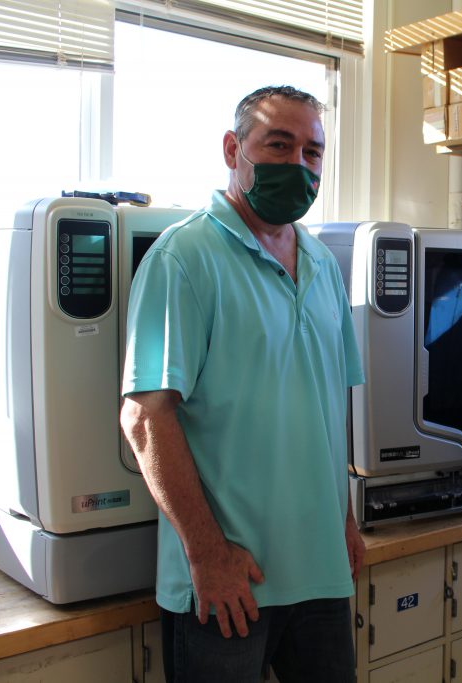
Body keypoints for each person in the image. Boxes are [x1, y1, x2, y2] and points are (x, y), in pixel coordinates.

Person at [120, 85, 365, 682]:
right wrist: (207, 555)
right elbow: (145, 418)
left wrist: (347, 520)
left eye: (312, 152)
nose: (298, 165)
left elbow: (333, 401)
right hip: (231, 583)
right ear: (234, 149)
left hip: (322, 573)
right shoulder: (185, 258)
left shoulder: (324, 264)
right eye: (278, 145)